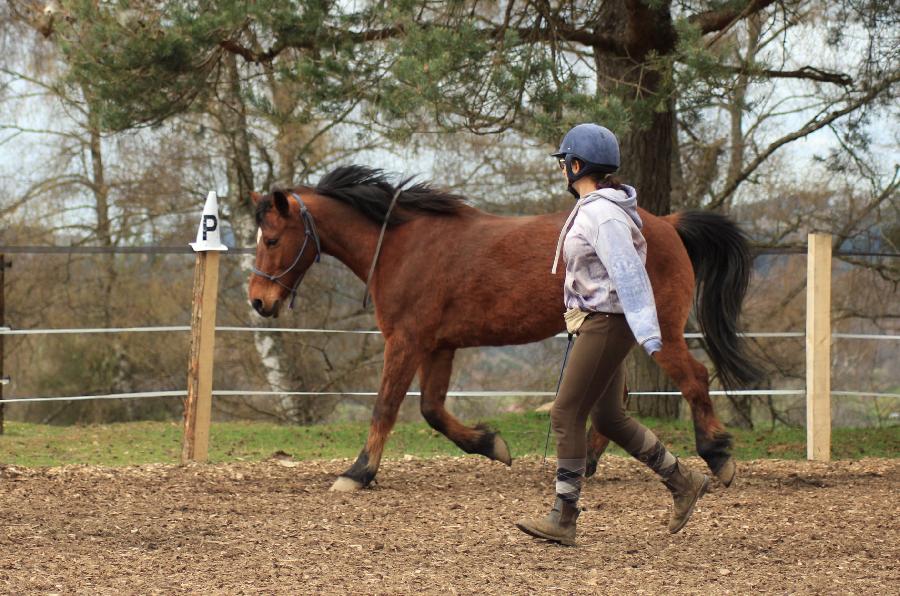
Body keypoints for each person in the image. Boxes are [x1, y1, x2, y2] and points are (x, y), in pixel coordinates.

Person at [515, 123, 710, 546]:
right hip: (597, 321)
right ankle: (684, 481)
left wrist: (648, 332)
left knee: (564, 413)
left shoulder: (602, 215)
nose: (562, 169)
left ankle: (564, 517)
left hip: (606, 323)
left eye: (565, 162)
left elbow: (630, 273)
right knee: (608, 417)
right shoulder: (596, 208)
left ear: (577, 165)